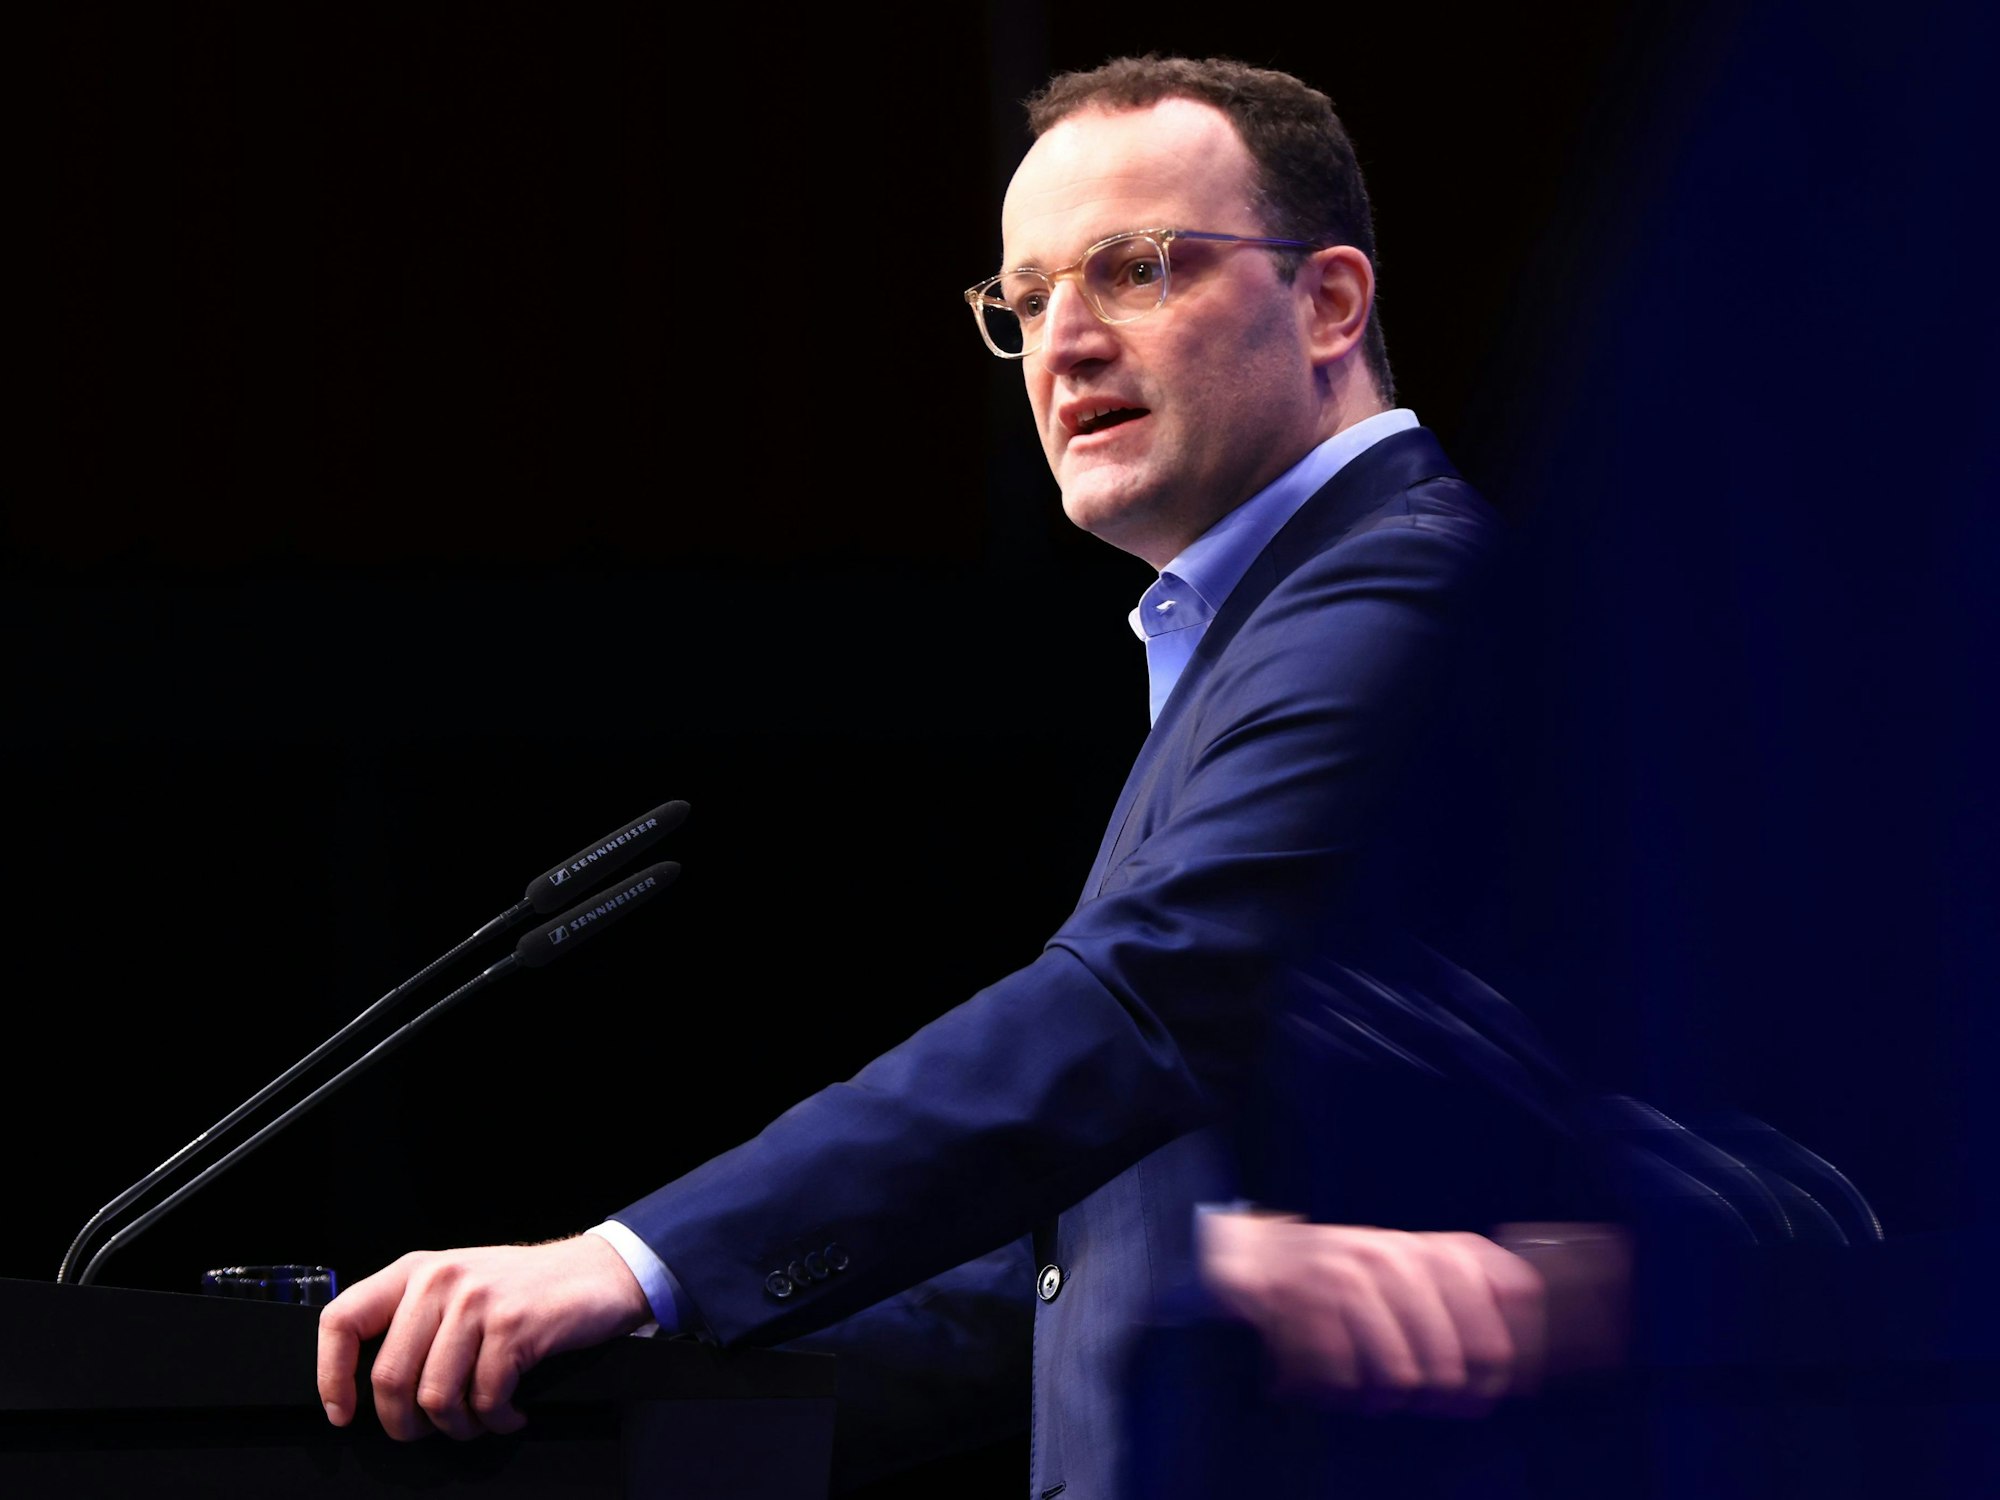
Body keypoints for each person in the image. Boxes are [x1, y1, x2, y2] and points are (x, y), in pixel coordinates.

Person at [318, 55, 1562, 1496]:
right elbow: (1093, 1269)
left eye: (1134, 269)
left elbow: (1146, 999)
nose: (1063, 343)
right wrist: (623, 1381)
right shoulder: (1263, 628)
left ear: (1330, 302)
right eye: (1025, 302)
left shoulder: (1405, 588)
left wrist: (635, 1260)